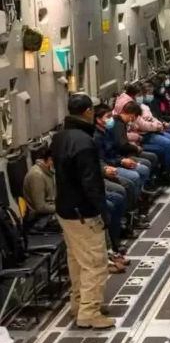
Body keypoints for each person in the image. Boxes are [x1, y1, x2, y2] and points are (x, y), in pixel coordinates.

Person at [51, 94, 114, 329]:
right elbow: (91, 183)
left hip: (65, 209)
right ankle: (90, 312)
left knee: (77, 261)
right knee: (95, 263)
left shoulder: (59, 137)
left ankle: (79, 303)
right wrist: (102, 211)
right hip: (82, 213)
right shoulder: (85, 142)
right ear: (88, 112)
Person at [23, 147, 60, 232]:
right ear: (50, 160)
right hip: (40, 219)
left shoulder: (47, 172)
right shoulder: (37, 176)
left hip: (49, 213)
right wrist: (61, 208)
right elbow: (40, 207)